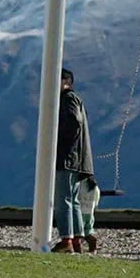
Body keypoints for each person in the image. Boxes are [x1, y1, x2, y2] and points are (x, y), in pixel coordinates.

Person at [53, 67, 97, 253]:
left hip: (68, 157)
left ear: (66, 82)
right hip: (77, 159)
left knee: (63, 199)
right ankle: (77, 238)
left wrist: (59, 143)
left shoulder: (68, 99)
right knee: (73, 199)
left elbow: (73, 121)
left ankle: (66, 240)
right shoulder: (76, 99)